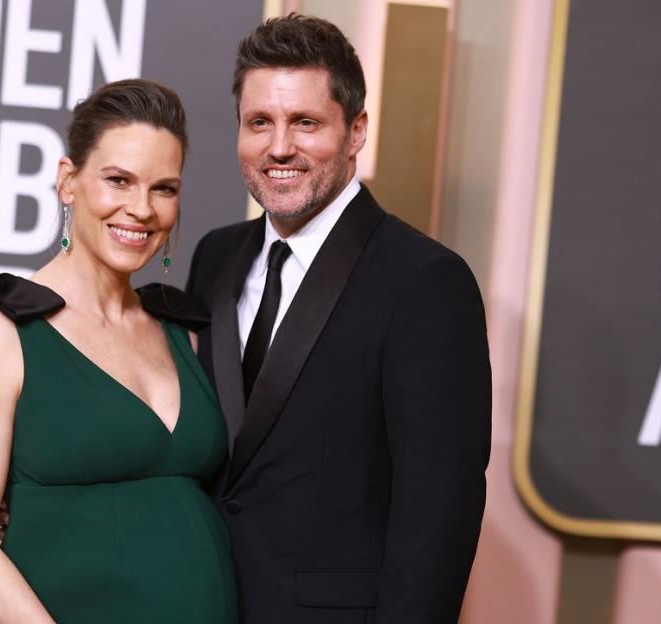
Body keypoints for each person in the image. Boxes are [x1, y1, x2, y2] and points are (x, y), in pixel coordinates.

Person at [185, 15, 491, 623]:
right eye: (259, 123)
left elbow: (438, 509)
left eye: (305, 122)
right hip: (204, 605)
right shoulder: (215, 255)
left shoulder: (425, 281)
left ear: (356, 131)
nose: (278, 147)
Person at [0, 79, 238, 624]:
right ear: (69, 182)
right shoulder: (2, 330)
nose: (141, 209)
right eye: (119, 181)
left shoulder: (183, 329)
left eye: (164, 188)